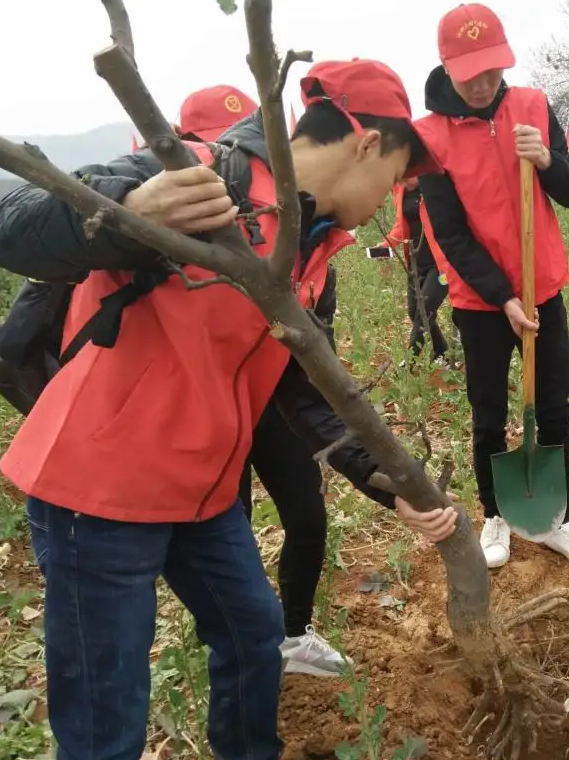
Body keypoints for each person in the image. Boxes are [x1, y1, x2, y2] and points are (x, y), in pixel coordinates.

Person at [0, 59, 457, 760]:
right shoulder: (197, 175)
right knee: (105, 708)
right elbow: (16, 224)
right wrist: (127, 220)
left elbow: (304, 388)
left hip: (202, 493)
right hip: (100, 493)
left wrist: (385, 483)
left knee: (253, 635)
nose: (393, 200)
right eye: (395, 179)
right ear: (364, 143)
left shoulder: (311, 251)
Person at [416, 3, 569, 571]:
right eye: (469, 71)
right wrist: (502, 297)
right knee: (488, 410)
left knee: (554, 405)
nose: (482, 83)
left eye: (492, 69)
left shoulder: (532, 105)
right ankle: (498, 512)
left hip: (543, 287)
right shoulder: (430, 137)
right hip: (482, 302)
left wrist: (547, 158)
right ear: (446, 66)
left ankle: (558, 517)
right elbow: (449, 234)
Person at [384, 177, 450, 362]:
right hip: (415, 263)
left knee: (425, 308)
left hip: (442, 265)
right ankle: (442, 352)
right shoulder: (399, 189)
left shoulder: (435, 184)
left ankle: (411, 359)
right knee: (415, 312)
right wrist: (386, 244)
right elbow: (401, 225)